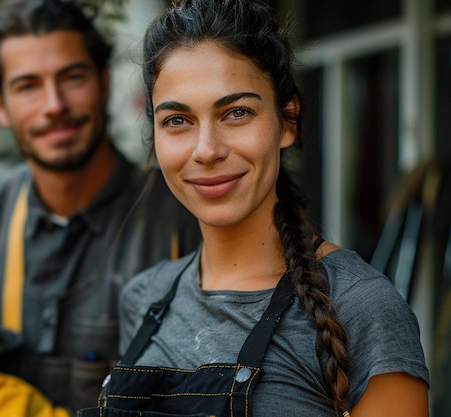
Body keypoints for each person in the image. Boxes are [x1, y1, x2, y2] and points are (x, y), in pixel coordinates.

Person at [78, 1, 430, 416]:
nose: (206, 150)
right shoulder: (145, 297)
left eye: (237, 113)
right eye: (177, 120)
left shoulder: (362, 307)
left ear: (288, 121)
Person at [0, 0, 201, 416]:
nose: (53, 105)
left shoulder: (186, 218)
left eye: (72, 77)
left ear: (104, 82)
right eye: (27, 85)